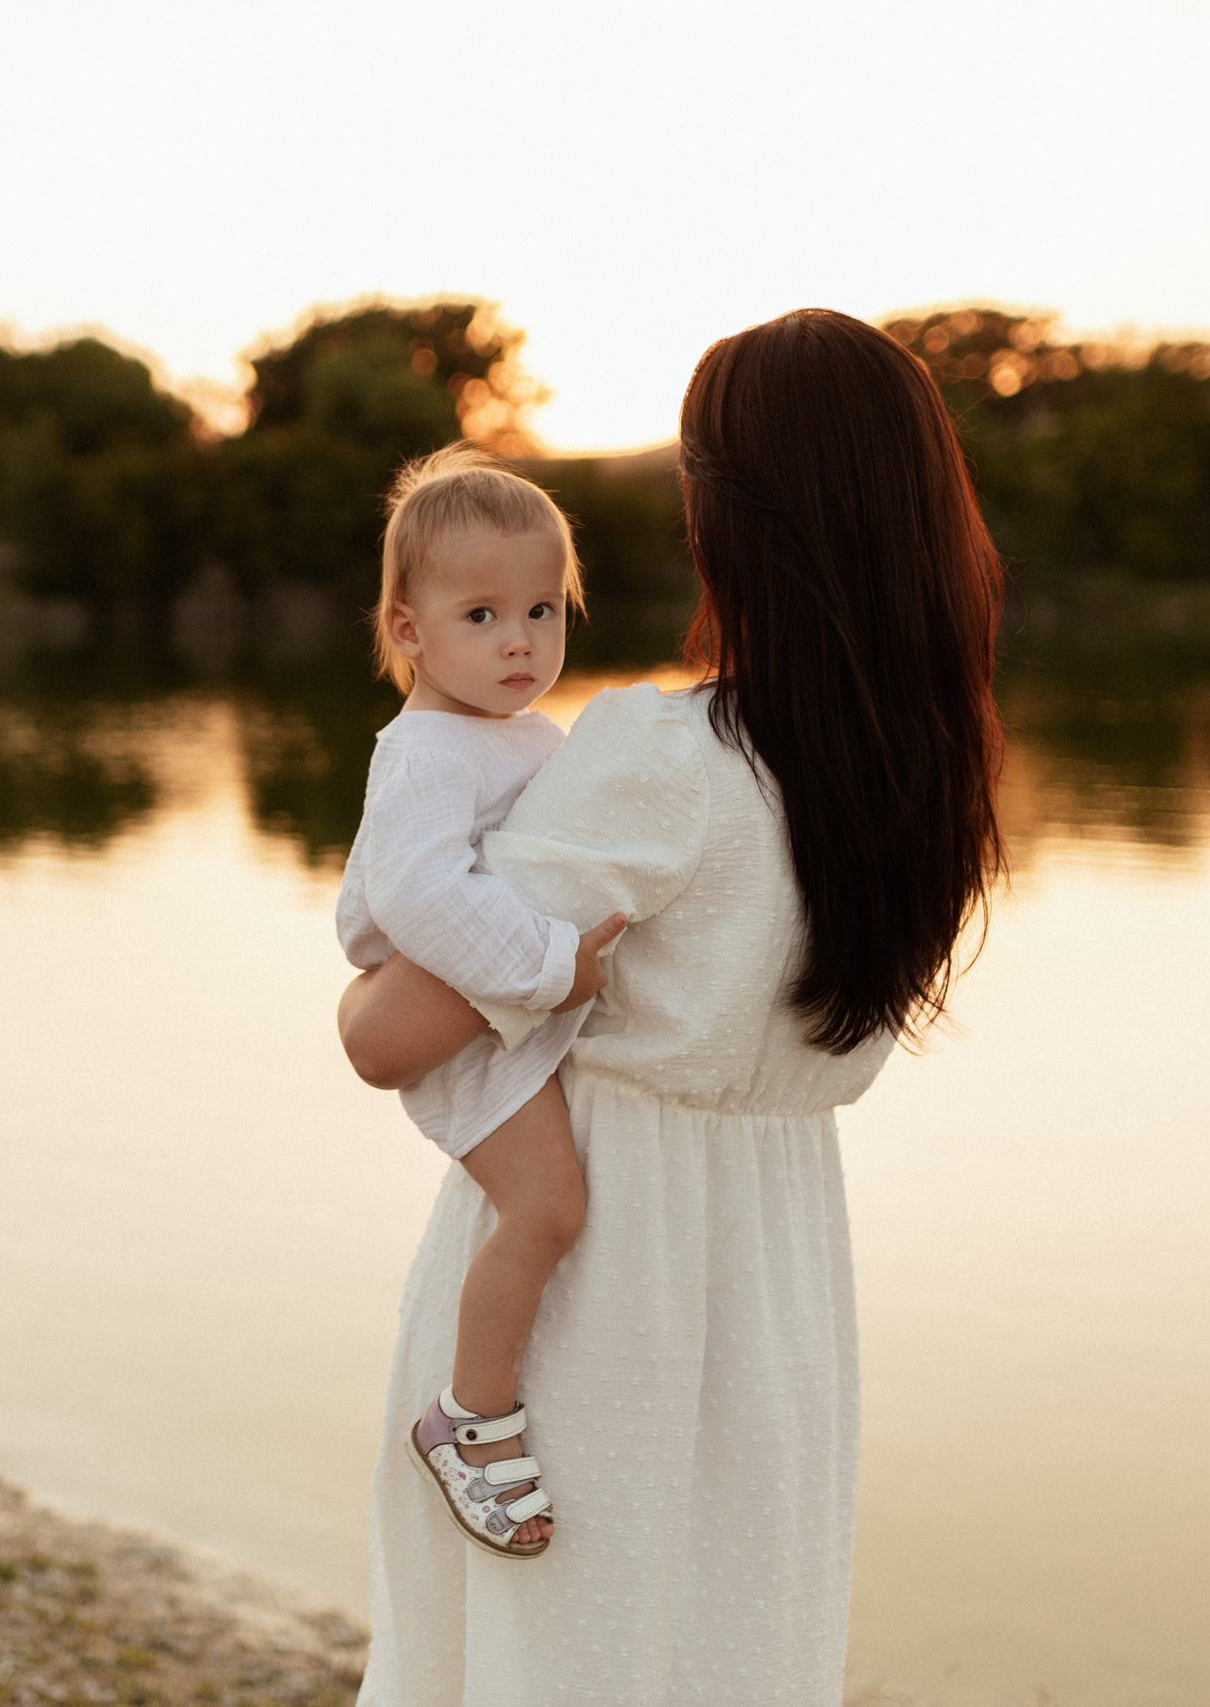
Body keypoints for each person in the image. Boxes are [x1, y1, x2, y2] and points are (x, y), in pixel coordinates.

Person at [338, 309, 1006, 1703]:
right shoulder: (930, 779)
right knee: (733, 1648)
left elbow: (390, 1035)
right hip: (783, 1288)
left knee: (539, 1663)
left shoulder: (662, 754)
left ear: (723, 514)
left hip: (592, 1290)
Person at [335, 444, 632, 1559]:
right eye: (482, 615)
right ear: (408, 632)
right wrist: (552, 969)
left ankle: (479, 1406)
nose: (521, 641)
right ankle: (469, 1419)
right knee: (547, 1209)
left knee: (557, 1205)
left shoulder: (523, 736)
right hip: (465, 1036)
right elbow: (418, 893)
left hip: (499, 1014)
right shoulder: (424, 754)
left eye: (543, 610)